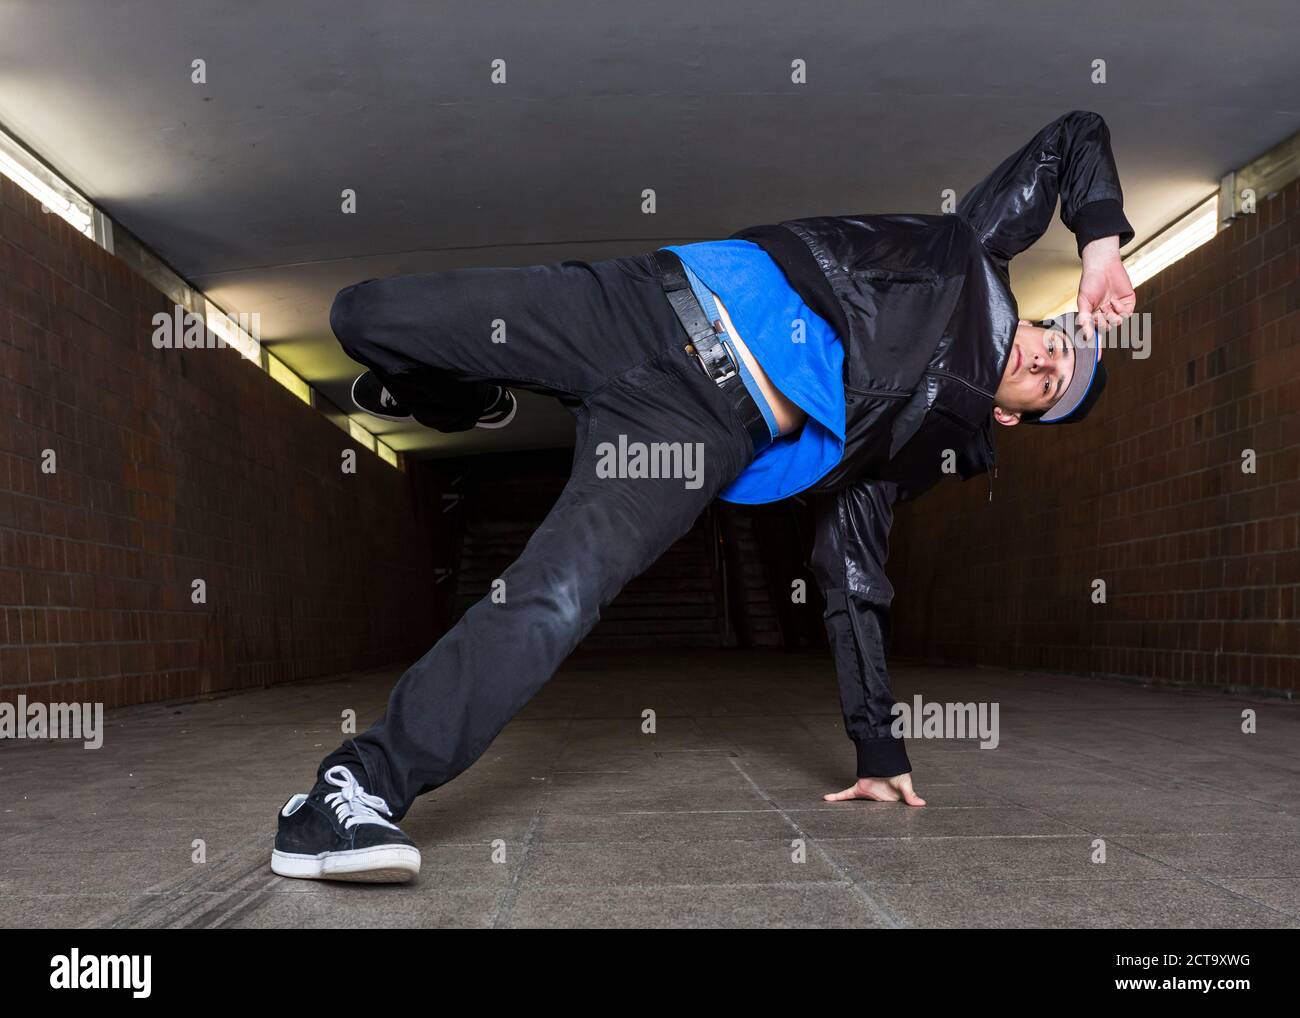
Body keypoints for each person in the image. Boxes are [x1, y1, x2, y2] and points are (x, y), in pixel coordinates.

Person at [271, 110, 1137, 882]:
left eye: (1050, 387)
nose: (1044, 363)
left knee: (556, 598)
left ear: (1017, 419)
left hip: (690, 430)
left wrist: (878, 743)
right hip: (639, 305)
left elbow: (854, 579)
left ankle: (359, 786)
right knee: (363, 316)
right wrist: (1101, 246)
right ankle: (460, 397)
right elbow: (1072, 136)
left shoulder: (914, 442)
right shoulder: (970, 260)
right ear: (1040, 320)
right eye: (1055, 346)